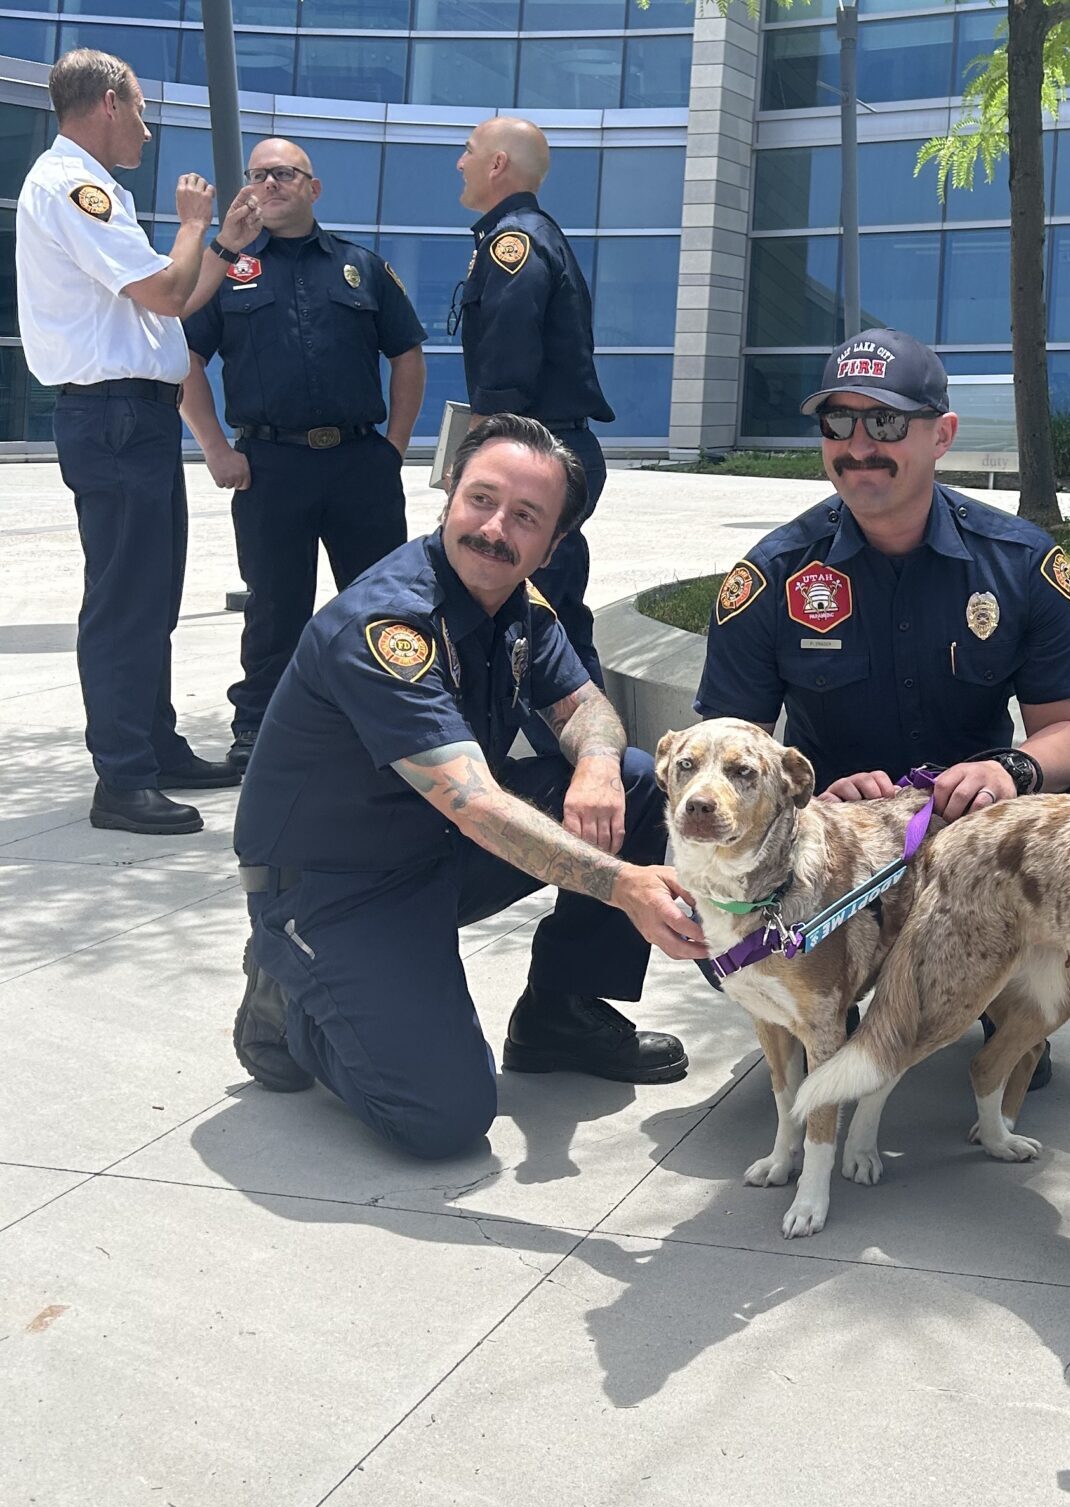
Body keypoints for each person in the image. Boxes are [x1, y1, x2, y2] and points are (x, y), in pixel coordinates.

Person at [230, 416, 707, 1160]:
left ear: (552, 546)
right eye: (481, 500)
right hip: (336, 885)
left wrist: (599, 764)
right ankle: (292, 999)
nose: (494, 529)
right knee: (442, 1118)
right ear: (449, 493)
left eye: (525, 517)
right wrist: (624, 887)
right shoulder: (389, 625)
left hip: (435, 853)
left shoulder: (519, 602)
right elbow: (477, 805)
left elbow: (586, 706)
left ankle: (561, 1013)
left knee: (637, 782)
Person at [695, 327, 1070, 1086]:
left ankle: (1010, 986)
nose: (860, 444)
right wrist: (814, 806)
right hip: (832, 859)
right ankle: (833, 994)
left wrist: (1011, 770)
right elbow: (731, 752)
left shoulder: (1022, 564)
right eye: (839, 422)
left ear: (942, 436)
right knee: (689, 840)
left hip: (970, 842)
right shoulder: (770, 577)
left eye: (887, 422)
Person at [15, 48, 261, 833]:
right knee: (126, 602)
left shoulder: (98, 193)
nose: (150, 132)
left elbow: (174, 300)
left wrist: (217, 244)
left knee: (150, 596)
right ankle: (121, 779)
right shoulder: (74, 187)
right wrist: (193, 227)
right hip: (114, 416)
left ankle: (152, 746)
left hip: (136, 417)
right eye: (144, 111)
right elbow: (164, 289)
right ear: (111, 102)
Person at [180, 137, 428, 774]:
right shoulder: (228, 269)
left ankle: (397, 727)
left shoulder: (360, 267)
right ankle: (258, 734)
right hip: (270, 467)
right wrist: (214, 449)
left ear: (313, 188)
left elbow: (406, 355)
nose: (271, 184)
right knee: (274, 609)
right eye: (259, 174)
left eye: (285, 173)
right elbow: (183, 358)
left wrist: (392, 448)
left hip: (357, 465)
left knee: (383, 604)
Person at [452, 116, 611, 719]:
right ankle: (602, 773)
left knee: (537, 619)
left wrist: (477, 463)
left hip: (537, 456)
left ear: (497, 165)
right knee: (552, 613)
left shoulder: (512, 243)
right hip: (552, 452)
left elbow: (506, 362)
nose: (459, 163)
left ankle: (599, 778)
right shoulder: (526, 235)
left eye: (468, 152)